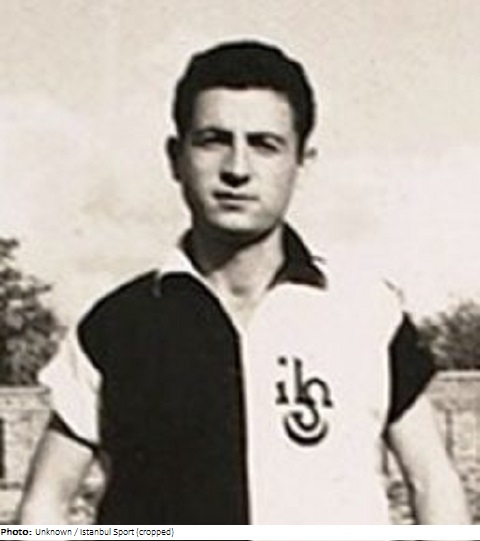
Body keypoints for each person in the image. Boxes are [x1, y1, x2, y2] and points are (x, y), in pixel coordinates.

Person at [18, 40, 470, 525]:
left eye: (264, 144)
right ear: (175, 157)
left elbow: (431, 482)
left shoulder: (366, 313)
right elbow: (44, 504)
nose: (237, 169)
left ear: (302, 161)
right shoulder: (118, 325)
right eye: (213, 140)